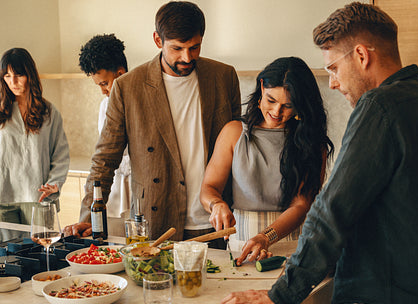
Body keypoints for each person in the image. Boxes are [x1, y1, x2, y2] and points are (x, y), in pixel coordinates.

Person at [219, 2, 418, 304]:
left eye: (333, 68)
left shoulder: (379, 106)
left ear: (361, 55)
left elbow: (332, 209)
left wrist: (282, 294)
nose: (332, 83)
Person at [63, 1, 241, 245]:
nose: (187, 57)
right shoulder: (129, 87)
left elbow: (237, 150)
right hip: (155, 221)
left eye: (195, 47)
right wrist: (87, 215)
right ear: (158, 40)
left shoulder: (224, 77)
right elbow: (105, 160)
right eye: (177, 48)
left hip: (214, 221)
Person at [200, 57, 333, 264]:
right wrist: (216, 204)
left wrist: (265, 237)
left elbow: (300, 205)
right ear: (261, 87)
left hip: (291, 240)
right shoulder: (234, 132)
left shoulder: (311, 142)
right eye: (271, 100)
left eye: (288, 106)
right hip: (241, 241)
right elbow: (209, 187)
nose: (277, 112)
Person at [0, 47, 70, 204]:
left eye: (18, 75)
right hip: (4, 200)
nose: (13, 82)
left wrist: (54, 183)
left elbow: (60, 154)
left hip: (38, 199)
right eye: (7, 76)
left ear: (29, 74)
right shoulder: (2, 111)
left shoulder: (49, 112)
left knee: (42, 230)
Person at [78, 33, 131, 218]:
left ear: (121, 73)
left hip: (138, 187)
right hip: (113, 186)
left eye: (105, 83)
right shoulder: (105, 107)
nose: (103, 91)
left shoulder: (142, 101)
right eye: (98, 85)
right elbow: (105, 153)